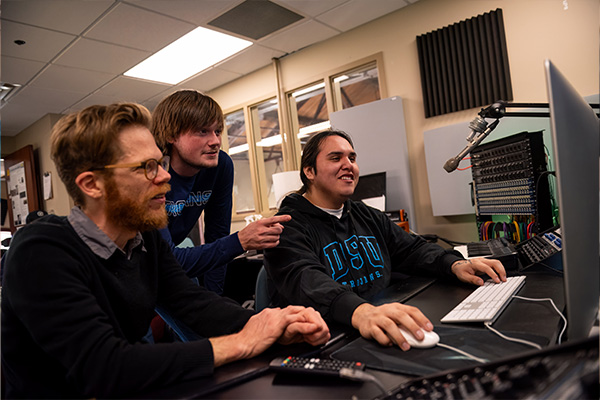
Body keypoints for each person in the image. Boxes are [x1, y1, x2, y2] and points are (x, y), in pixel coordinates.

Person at [0, 103, 330, 398]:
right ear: (92, 184)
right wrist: (243, 341)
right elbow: (104, 367)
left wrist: (271, 325)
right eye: (147, 167)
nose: (164, 176)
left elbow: (191, 303)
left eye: (160, 163)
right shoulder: (40, 250)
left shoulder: (145, 237)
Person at [263, 130, 506, 351]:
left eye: (352, 158)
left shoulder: (365, 214)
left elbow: (411, 248)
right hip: (331, 340)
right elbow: (307, 280)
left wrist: (454, 264)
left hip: (383, 321)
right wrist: (361, 312)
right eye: (336, 158)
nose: (348, 165)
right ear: (309, 172)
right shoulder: (286, 226)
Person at [151, 90, 290, 294]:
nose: (216, 141)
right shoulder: (153, 172)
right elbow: (168, 261)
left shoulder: (220, 165)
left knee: (210, 320)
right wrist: (240, 241)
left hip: (169, 262)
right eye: (202, 131)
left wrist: (214, 298)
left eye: (217, 131)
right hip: (132, 265)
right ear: (172, 135)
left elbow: (218, 235)